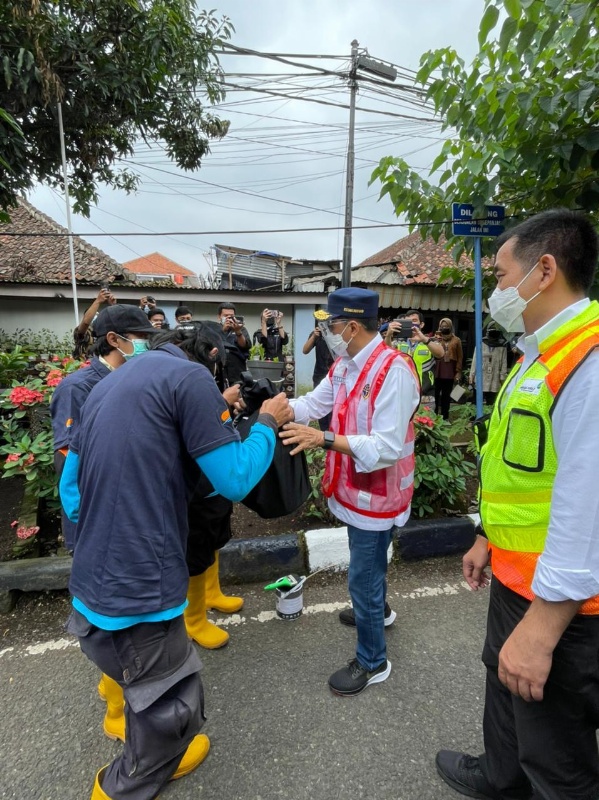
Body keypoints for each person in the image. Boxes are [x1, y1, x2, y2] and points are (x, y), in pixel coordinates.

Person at [60, 325, 292, 800]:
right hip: (142, 584)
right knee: (169, 702)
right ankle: (124, 784)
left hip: (91, 582)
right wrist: (267, 422)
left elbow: (71, 490)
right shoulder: (190, 380)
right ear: (208, 356)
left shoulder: (106, 384)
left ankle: (128, 726)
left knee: (130, 673)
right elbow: (235, 480)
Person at [435, 209, 599, 800]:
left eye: (501, 275)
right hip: (515, 577)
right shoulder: (539, 352)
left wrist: (544, 626)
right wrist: (486, 536)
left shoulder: (589, 360)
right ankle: (497, 779)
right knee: (503, 695)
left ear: (544, 270)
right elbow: (522, 470)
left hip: (570, 608)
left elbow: (590, 507)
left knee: (556, 758)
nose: (495, 289)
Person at [280, 288, 420, 697]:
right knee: (371, 565)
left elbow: (386, 448)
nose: (327, 332)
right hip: (354, 490)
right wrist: (279, 408)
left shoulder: (392, 370)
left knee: (362, 575)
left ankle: (373, 660)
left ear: (352, 326)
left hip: (378, 495)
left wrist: (321, 439)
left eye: (331, 325)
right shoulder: (345, 365)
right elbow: (314, 402)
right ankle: (379, 612)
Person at [51, 305, 157, 555]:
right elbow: (67, 459)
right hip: (95, 519)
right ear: (113, 339)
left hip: (130, 511)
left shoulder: (136, 379)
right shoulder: (77, 388)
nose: (147, 344)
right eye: (141, 338)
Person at [384, 309, 444, 406]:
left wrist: (424, 339)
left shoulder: (430, 342)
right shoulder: (398, 343)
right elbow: (385, 354)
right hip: (402, 396)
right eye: (408, 321)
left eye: (414, 321)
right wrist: (388, 335)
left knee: (425, 421)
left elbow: (441, 354)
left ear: (422, 325)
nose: (411, 324)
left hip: (425, 398)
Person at [301, 311, 334, 431]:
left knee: (334, 406)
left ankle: (333, 431)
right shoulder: (316, 334)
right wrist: (314, 336)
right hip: (319, 375)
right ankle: (324, 432)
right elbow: (305, 350)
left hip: (334, 376)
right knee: (320, 405)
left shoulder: (336, 333)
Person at [467, 325, 508, 406]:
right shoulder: (481, 344)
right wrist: (471, 375)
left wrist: (502, 379)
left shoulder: (502, 347)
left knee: (491, 403)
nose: (494, 332)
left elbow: (504, 364)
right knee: (476, 402)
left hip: (494, 379)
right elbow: (475, 360)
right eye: (492, 330)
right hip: (481, 377)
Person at [72, 286, 116, 359]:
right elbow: (86, 322)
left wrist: (113, 306)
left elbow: (117, 323)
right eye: (93, 316)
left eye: (97, 315)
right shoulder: (82, 333)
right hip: (83, 365)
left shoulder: (104, 333)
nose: (95, 317)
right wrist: (98, 301)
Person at [434, 317, 463, 419]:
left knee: (446, 395)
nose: (444, 328)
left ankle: (445, 416)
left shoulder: (456, 340)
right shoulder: (436, 338)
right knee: (436, 394)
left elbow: (460, 357)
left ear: (451, 327)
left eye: (446, 326)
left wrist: (458, 371)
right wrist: (436, 340)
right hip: (437, 370)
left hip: (450, 370)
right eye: (442, 326)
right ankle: (434, 416)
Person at [217, 301, 251, 384]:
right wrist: (223, 330)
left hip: (237, 372)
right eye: (225, 316)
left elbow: (245, 346)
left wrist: (238, 332)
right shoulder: (214, 329)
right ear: (219, 317)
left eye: (231, 316)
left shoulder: (241, 329)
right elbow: (212, 345)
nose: (229, 318)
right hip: (219, 372)